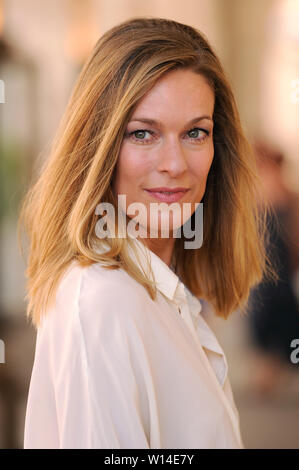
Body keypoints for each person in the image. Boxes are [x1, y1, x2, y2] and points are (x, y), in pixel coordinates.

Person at [18, 17, 269, 449]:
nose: (174, 163)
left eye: (195, 132)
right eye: (143, 133)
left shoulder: (160, 293)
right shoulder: (102, 303)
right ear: (98, 146)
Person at [246, 141, 299, 396]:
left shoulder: (288, 196)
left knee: (285, 319)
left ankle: (278, 367)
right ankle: (267, 370)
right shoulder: (255, 195)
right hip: (263, 271)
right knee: (262, 319)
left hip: (282, 271)